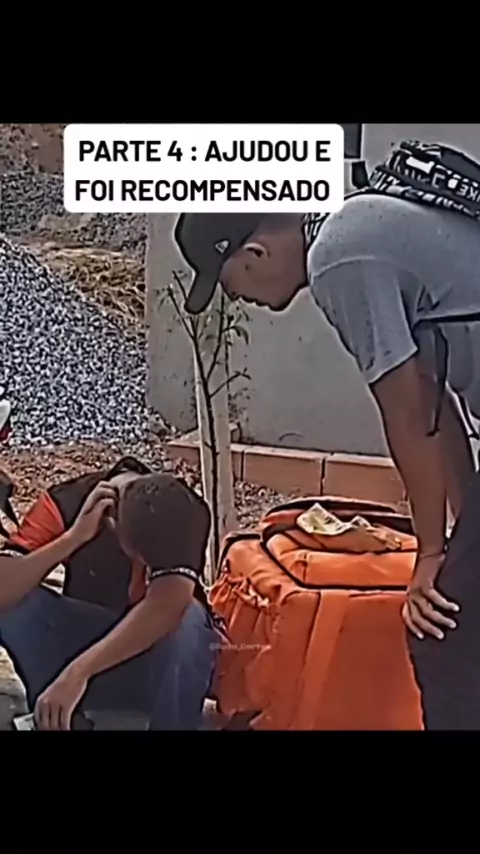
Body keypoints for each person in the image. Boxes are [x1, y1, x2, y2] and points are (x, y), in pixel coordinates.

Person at [174, 204, 480, 646]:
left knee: (442, 638)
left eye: (227, 282)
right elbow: (431, 395)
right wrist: (463, 536)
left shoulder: (337, 260)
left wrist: (431, 555)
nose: (235, 298)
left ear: (256, 253)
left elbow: (408, 413)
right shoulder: (356, 226)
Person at [0, 456, 221, 730]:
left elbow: (169, 604)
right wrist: (73, 538)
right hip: (79, 658)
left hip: (152, 669)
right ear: (113, 524)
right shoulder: (64, 503)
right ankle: (57, 717)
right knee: (19, 602)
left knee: (189, 618)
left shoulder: (176, 512)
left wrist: (79, 672)